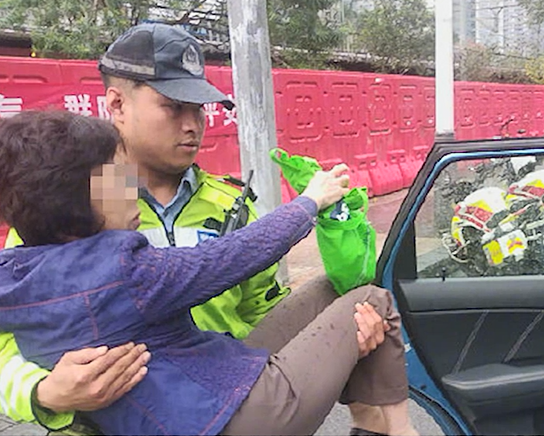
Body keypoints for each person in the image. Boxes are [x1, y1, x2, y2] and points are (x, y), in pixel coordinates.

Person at [0, 23, 394, 436]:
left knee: (346, 300)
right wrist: (43, 392)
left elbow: (260, 309)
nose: (192, 124)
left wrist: (338, 342)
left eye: (199, 109)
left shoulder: (232, 203)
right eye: (174, 107)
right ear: (117, 104)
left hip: (224, 403)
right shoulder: (55, 222)